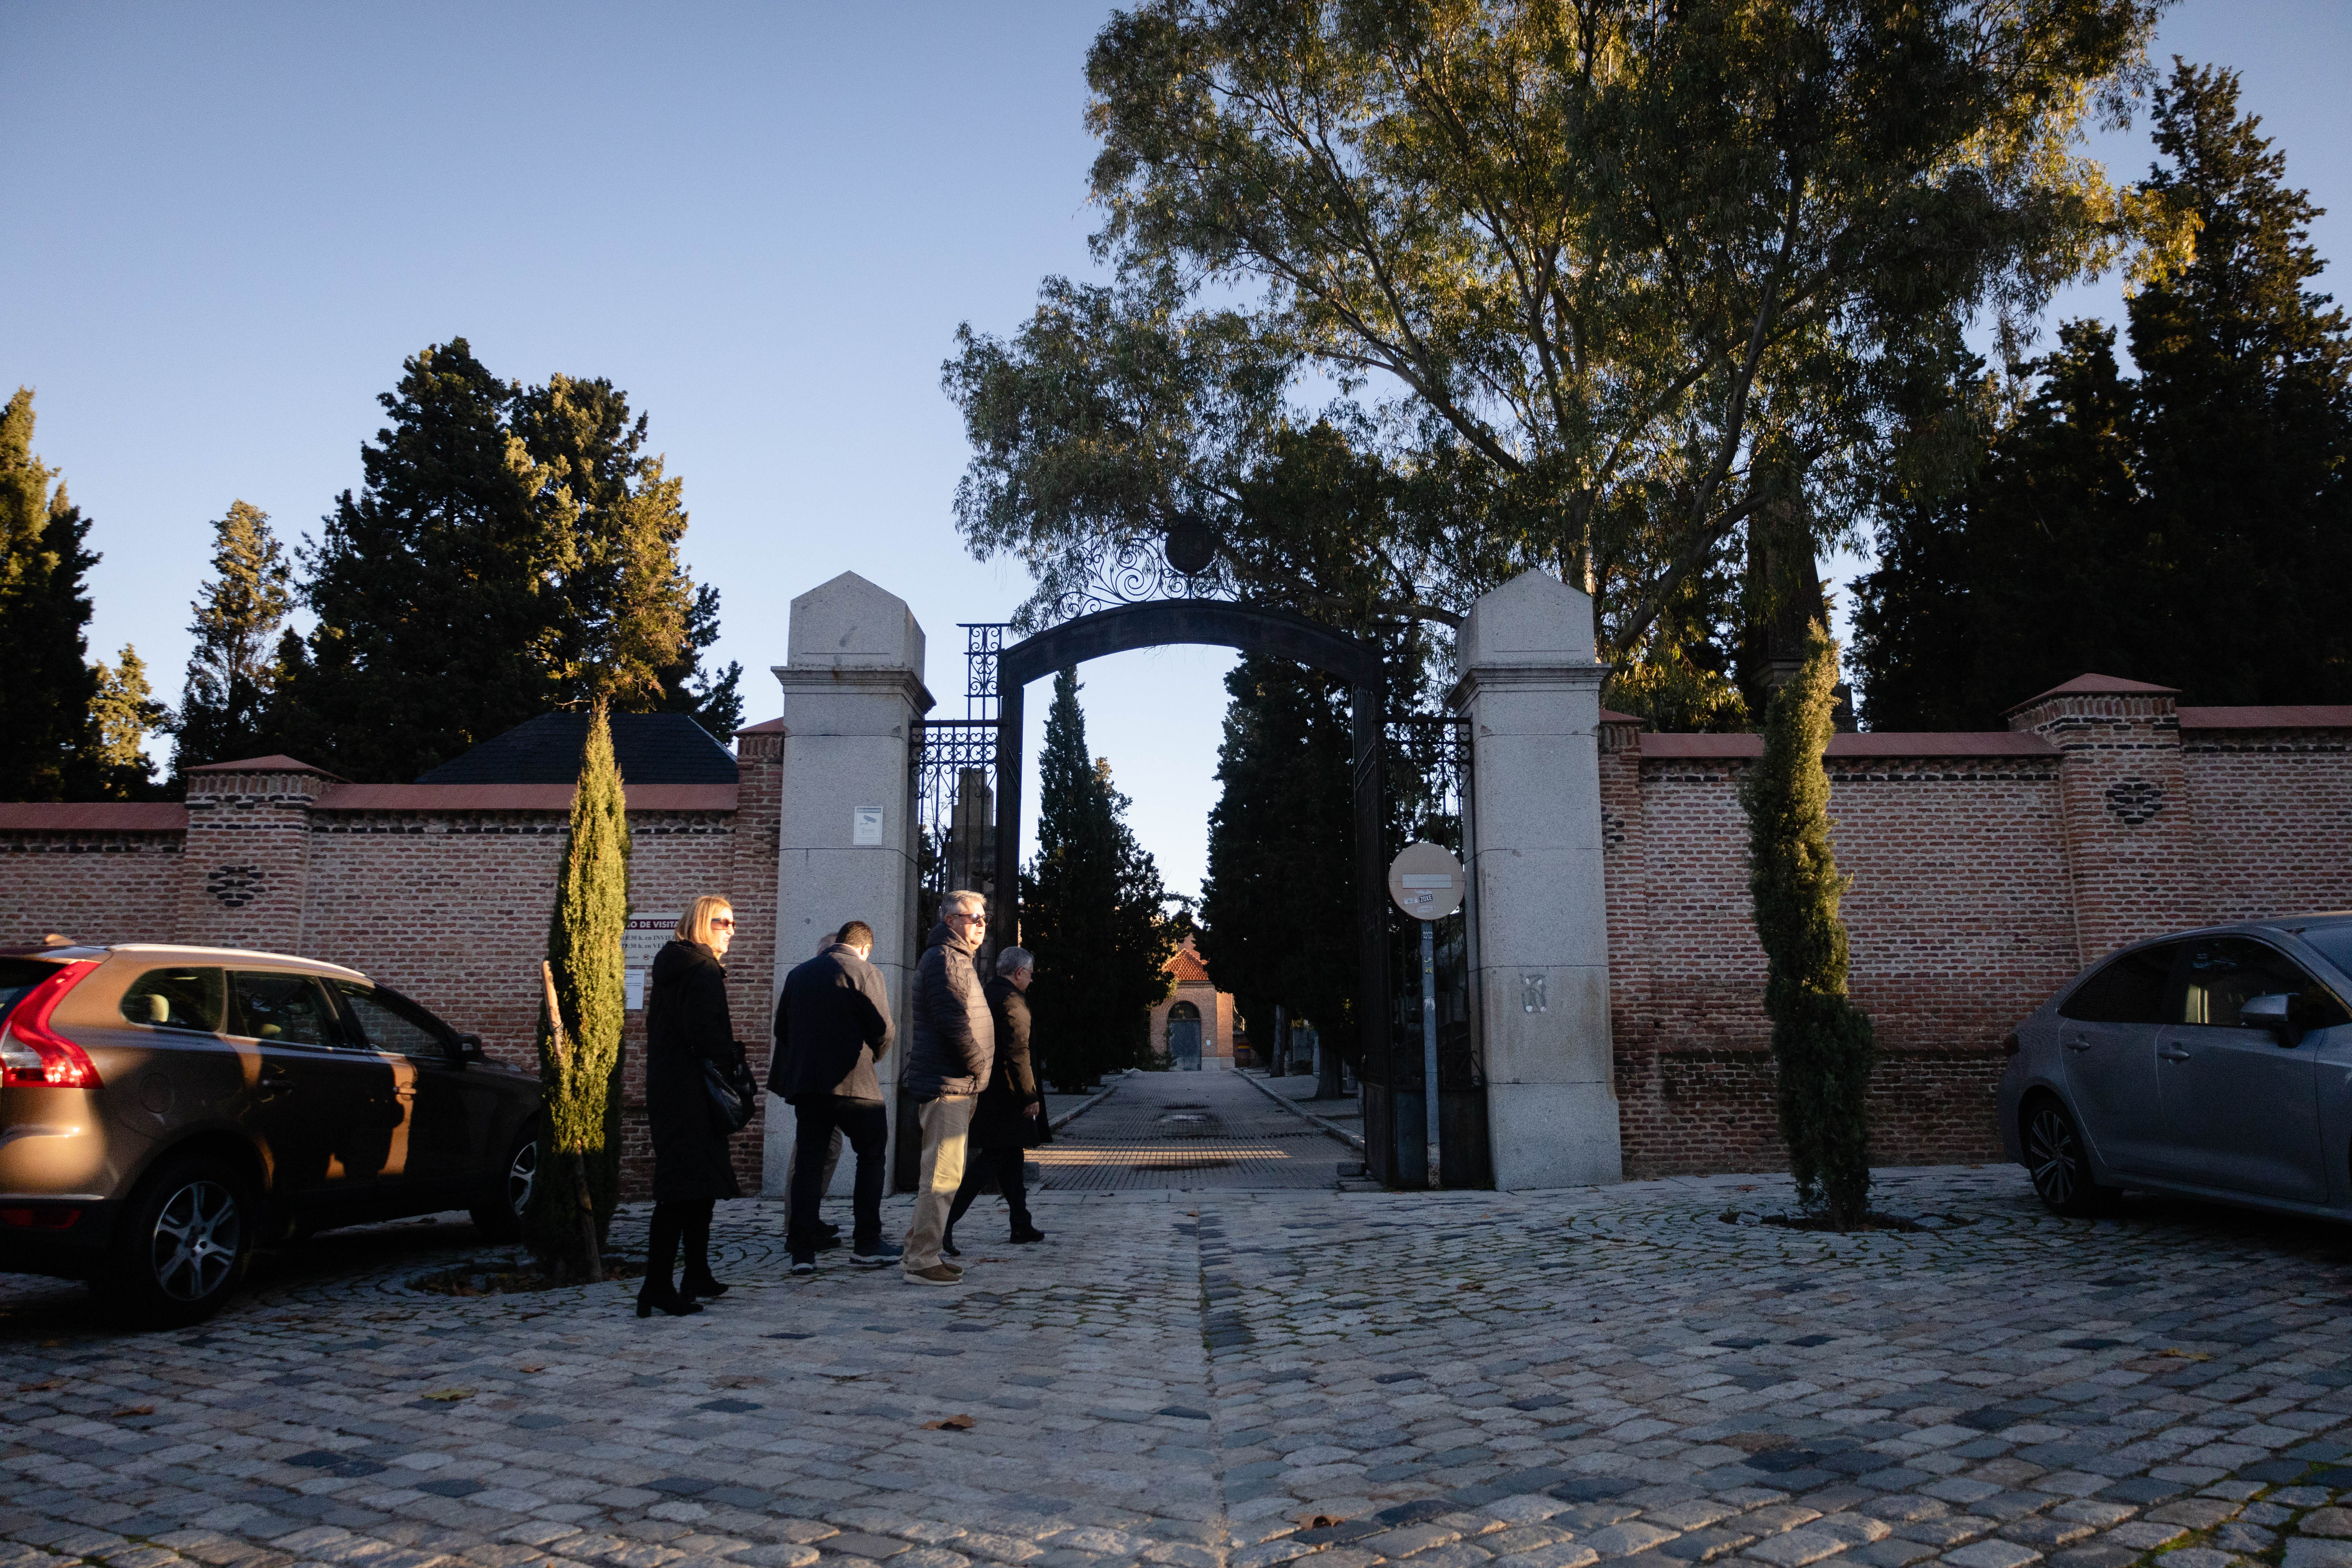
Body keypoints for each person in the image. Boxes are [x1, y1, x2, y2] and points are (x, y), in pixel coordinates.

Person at [638, 895, 745, 1318]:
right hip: (691, 1094)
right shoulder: (700, 970)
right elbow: (704, 1036)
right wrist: (733, 1068)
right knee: (681, 1189)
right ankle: (657, 1284)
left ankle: (696, 1271)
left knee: (699, 1185)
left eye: (733, 922)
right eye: (723, 922)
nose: (731, 930)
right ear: (703, 923)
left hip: (677, 1090)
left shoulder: (680, 966)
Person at [773, 919, 897, 1272]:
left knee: (809, 1165)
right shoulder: (866, 971)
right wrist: (872, 1054)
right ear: (865, 948)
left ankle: (802, 1252)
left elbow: (781, 1028)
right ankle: (867, 1243)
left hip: (810, 1087)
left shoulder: (798, 974)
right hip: (856, 1084)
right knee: (871, 1159)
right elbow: (884, 1029)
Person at [899, 889, 994, 1286]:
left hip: (958, 1083)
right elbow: (953, 1023)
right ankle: (922, 1260)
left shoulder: (955, 958)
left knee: (944, 1176)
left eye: (985, 918)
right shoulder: (944, 959)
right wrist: (978, 1066)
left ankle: (924, 1250)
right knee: (940, 1178)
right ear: (951, 920)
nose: (981, 925)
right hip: (949, 1083)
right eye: (974, 918)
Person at [944, 944, 1046, 1256]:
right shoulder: (1013, 1001)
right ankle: (944, 1222)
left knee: (1011, 1158)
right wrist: (1030, 1095)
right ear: (1019, 973)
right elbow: (1019, 1052)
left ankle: (1021, 1223)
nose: (1031, 980)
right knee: (991, 1160)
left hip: (989, 1091)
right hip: (1008, 1096)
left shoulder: (987, 993)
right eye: (1030, 974)